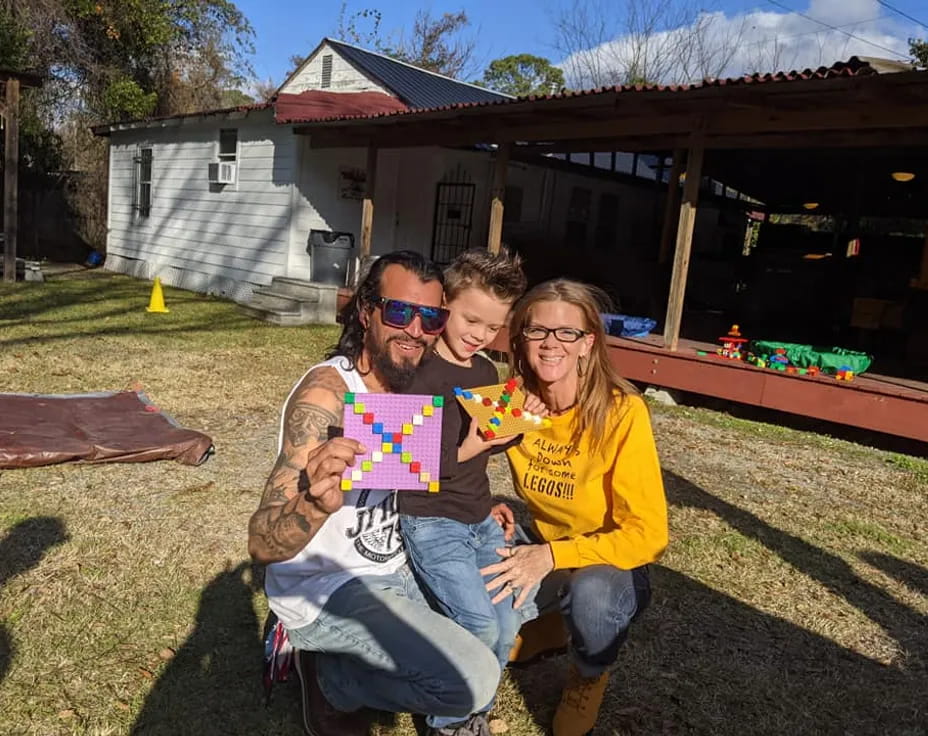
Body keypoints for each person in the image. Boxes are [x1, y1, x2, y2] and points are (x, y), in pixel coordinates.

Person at [247, 250, 500, 736]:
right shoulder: (327, 396)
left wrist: (491, 510)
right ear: (366, 311)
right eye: (400, 311)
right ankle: (333, 682)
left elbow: (442, 475)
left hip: (402, 562)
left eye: (431, 317)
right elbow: (261, 543)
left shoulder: (415, 389)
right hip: (333, 587)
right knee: (476, 677)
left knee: (503, 614)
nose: (416, 330)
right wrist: (314, 503)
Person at [482, 278, 669, 736]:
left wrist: (550, 556)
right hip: (542, 547)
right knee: (462, 561)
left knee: (593, 598)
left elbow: (648, 534)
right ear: (520, 338)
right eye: (537, 331)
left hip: (608, 564)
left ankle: (589, 672)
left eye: (566, 332)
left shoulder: (622, 411)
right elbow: (456, 460)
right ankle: (548, 630)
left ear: (587, 343)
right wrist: (482, 502)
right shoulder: (511, 401)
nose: (550, 344)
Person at [397, 249, 528, 731]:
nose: (480, 335)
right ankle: (448, 721)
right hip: (431, 521)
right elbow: (405, 465)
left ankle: (476, 708)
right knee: (479, 624)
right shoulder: (417, 372)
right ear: (444, 302)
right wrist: (475, 445)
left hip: (477, 516)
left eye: (493, 328)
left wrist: (511, 430)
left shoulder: (485, 373)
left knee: (509, 623)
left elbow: (483, 451)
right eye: (471, 319)